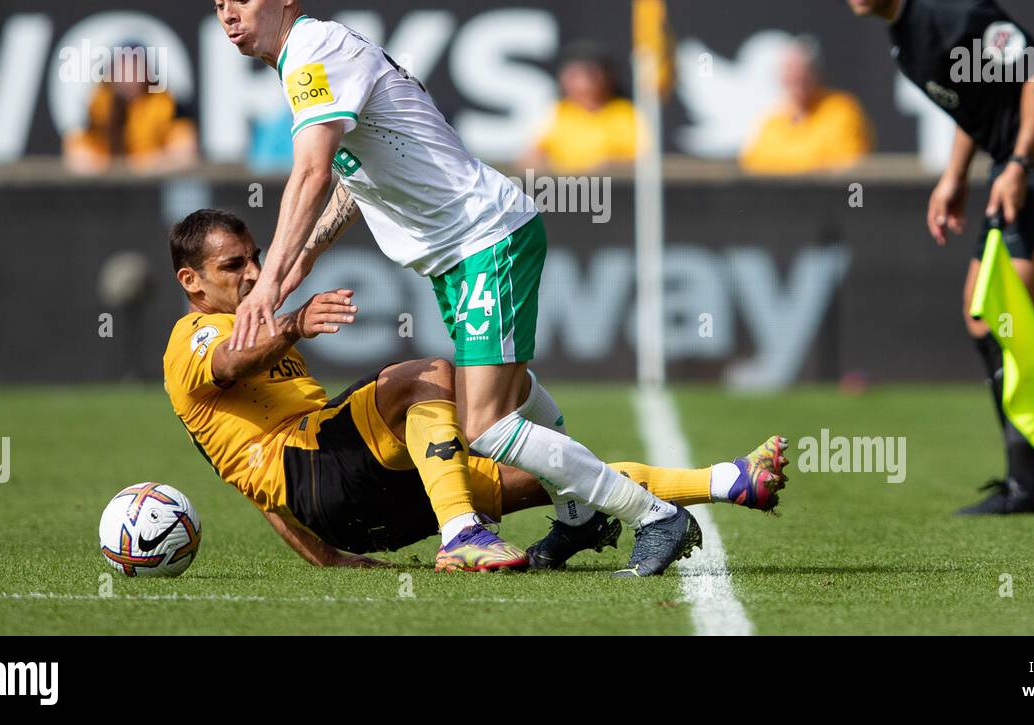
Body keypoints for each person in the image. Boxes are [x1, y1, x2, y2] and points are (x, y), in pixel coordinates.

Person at [208, 0, 701, 577]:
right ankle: (580, 518)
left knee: (487, 425)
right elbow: (354, 177)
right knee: (514, 397)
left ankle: (655, 515)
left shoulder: (312, 50)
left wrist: (270, 280)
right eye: (219, 2)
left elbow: (311, 171)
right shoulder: (305, 60)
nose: (229, 14)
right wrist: (306, 254)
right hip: (459, 250)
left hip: (483, 237)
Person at [162, 208, 790, 570]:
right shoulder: (193, 336)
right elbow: (228, 369)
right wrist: (295, 320)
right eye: (233, 266)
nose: (253, 273)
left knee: (551, 472)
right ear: (192, 281)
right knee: (429, 375)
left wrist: (330, 557)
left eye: (255, 257)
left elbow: (248, 479)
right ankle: (461, 533)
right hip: (319, 469)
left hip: (356, 506)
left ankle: (728, 481)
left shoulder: (261, 337)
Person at [825, 0, 1034, 515]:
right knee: (986, 319)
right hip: (1023, 165)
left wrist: (1019, 163)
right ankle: (1026, 482)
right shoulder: (901, 29)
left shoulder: (945, 9)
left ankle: (1030, 484)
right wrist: (954, 177)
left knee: (999, 316)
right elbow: (974, 107)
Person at [739, 36, 873, 174]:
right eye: (790, 71)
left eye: (802, 71)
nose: (796, 78)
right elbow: (752, 169)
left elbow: (849, 166)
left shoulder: (841, 110)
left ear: (815, 74)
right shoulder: (771, 121)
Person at [62, 45, 198, 174]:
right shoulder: (98, 103)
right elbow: (77, 152)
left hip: (155, 186)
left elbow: (183, 155)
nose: (127, 78)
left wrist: (136, 166)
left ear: (147, 72)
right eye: (122, 70)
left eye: (134, 70)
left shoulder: (166, 103)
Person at [525, 43, 641, 173]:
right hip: (565, 189)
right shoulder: (555, 113)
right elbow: (531, 157)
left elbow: (644, 160)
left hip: (612, 189)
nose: (582, 83)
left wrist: (612, 166)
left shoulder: (625, 113)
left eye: (590, 75)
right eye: (574, 76)